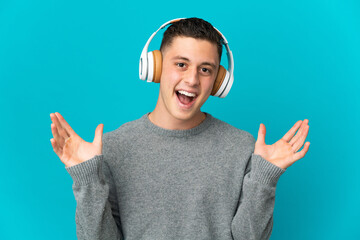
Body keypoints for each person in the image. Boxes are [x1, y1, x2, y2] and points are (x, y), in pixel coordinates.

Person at [49, 17, 310, 240]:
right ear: (156, 67)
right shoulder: (114, 147)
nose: (192, 79)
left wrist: (264, 178)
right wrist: (87, 180)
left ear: (218, 82)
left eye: (205, 70)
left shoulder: (241, 146)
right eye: (181, 64)